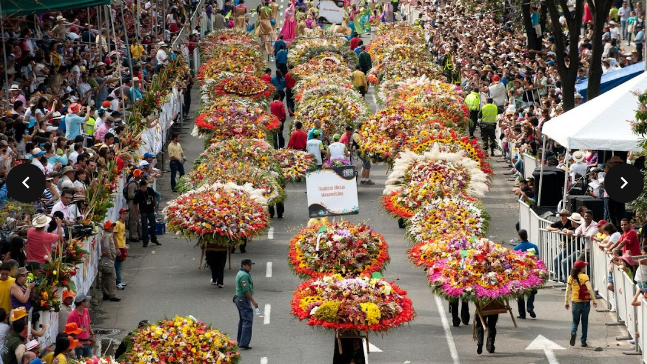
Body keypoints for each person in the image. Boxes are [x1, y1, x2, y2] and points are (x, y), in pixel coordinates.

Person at [565, 260, 597, 347]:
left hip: (575, 301)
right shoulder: (585, 276)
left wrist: (566, 302)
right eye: (584, 267)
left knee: (575, 321)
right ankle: (583, 341)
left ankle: (573, 332)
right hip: (585, 302)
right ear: (581, 268)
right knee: (585, 321)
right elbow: (589, 289)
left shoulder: (571, 277)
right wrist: (594, 300)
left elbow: (568, 290)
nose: (585, 268)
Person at [514, 229, 539, 319]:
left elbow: (515, 261)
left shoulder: (517, 248)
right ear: (527, 235)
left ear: (519, 236)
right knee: (532, 291)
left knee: (520, 293)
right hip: (532, 272)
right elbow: (536, 259)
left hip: (521, 273)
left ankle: (522, 314)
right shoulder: (533, 247)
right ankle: (530, 306)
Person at [235, 259, 258, 350]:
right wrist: (253, 301)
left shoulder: (240, 273)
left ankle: (240, 340)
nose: (250, 267)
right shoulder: (244, 276)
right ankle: (244, 343)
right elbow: (246, 290)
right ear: (243, 265)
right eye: (249, 265)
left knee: (242, 320)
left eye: (251, 265)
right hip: (243, 299)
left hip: (239, 299)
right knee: (248, 320)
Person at [133, 180, 161, 248]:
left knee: (153, 225)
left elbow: (154, 197)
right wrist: (137, 213)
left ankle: (154, 239)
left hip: (151, 210)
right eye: (143, 187)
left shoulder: (150, 190)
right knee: (144, 227)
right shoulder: (138, 194)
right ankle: (145, 241)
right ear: (140, 187)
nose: (144, 188)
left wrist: (156, 205)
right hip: (143, 211)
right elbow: (135, 204)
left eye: (145, 187)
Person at [100, 221, 120, 302]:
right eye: (111, 226)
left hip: (105, 260)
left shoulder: (105, 235)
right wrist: (110, 255)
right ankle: (112, 295)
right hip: (108, 260)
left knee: (105, 278)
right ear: (107, 228)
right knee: (112, 277)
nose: (112, 228)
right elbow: (106, 246)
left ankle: (106, 294)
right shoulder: (107, 236)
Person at [114, 208, 128, 290]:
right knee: (118, 265)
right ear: (120, 214)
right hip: (119, 247)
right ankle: (118, 282)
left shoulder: (123, 223)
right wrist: (117, 248)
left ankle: (119, 281)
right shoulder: (117, 224)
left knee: (120, 265)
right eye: (124, 214)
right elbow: (114, 236)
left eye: (126, 214)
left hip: (122, 246)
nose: (126, 215)